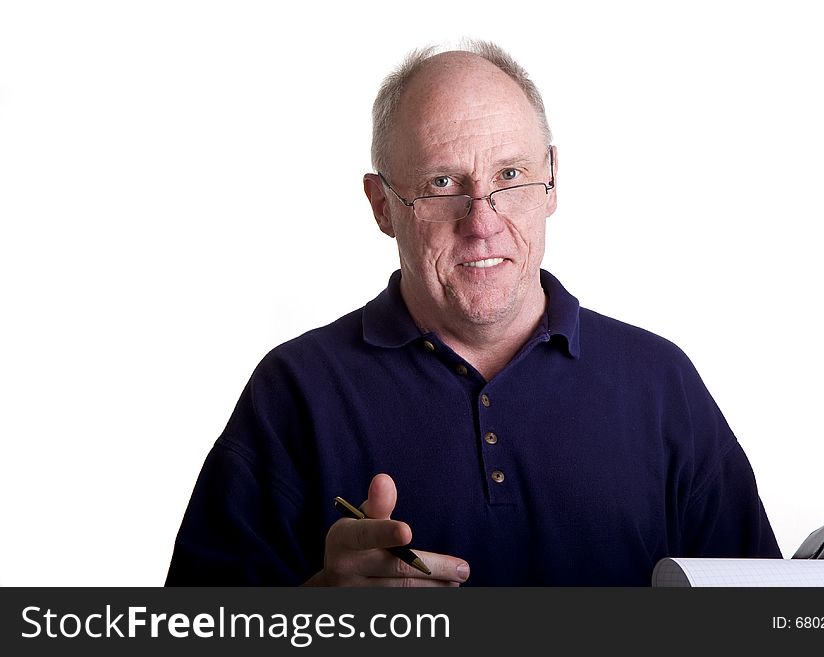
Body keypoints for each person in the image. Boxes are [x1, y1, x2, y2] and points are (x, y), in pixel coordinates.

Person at [165, 40, 782, 587]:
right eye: (441, 183)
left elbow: (778, 625)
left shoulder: (658, 380)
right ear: (382, 205)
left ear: (553, 180)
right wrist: (322, 612)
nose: (482, 222)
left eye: (510, 175)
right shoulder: (294, 391)